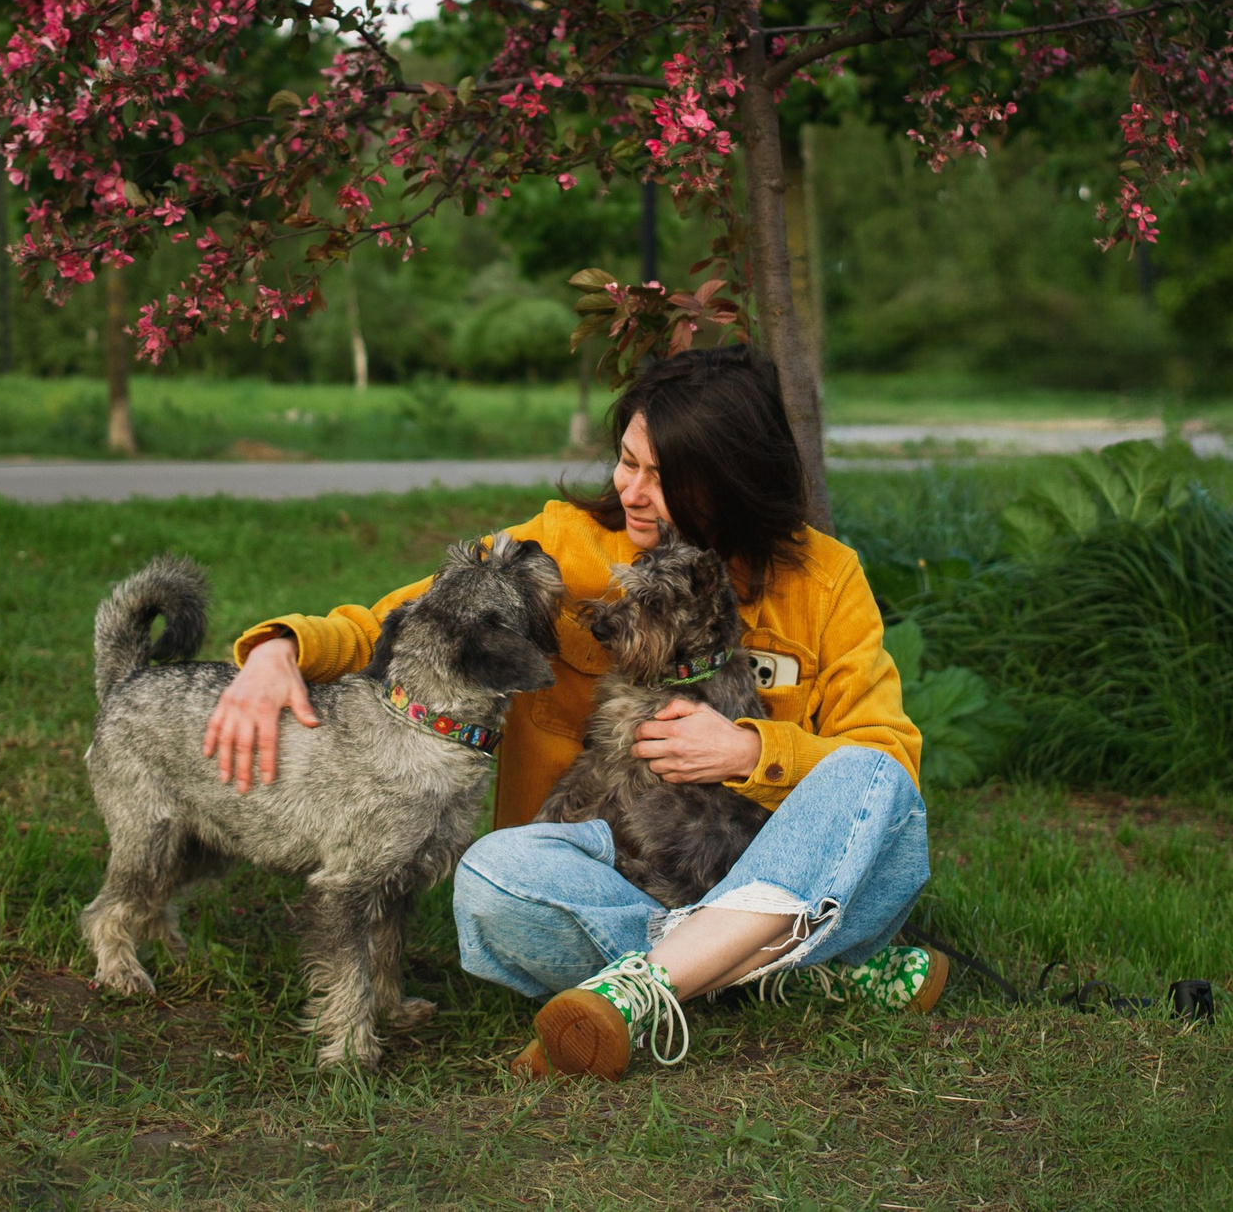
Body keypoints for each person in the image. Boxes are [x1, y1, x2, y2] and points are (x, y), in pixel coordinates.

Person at [201, 345, 945, 1078]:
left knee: (872, 781)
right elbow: (404, 617)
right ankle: (778, 967)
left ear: (733, 480)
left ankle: (646, 985)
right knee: (493, 878)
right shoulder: (567, 544)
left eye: (665, 477)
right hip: (624, 872)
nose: (633, 490)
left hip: (776, 861)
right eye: (628, 461)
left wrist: (753, 752)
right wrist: (283, 647)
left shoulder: (824, 578)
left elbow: (887, 766)